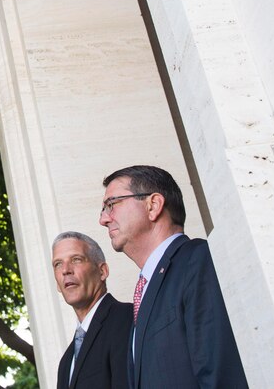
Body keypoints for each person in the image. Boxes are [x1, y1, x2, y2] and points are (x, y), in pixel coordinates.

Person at [99, 165, 247, 389]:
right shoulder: (144, 292)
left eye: (111, 204)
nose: (103, 219)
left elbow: (222, 372)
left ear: (153, 205)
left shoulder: (198, 261)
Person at [52, 231, 131, 389]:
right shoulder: (66, 362)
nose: (65, 270)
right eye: (58, 264)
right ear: (57, 284)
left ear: (102, 271)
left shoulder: (128, 319)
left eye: (76, 259)